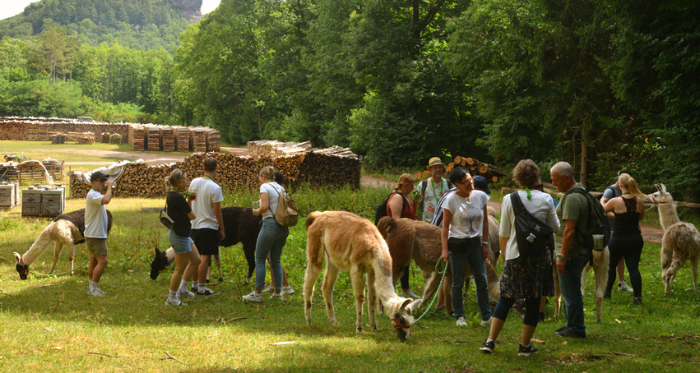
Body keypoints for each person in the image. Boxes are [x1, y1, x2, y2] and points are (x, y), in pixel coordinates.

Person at [480, 160, 559, 356]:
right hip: (539, 257)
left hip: (514, 256)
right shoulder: (547, 199)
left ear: (517, 177)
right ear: (537, 177)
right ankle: (524, 346)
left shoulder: (509, 199)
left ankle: (490, 342)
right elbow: (555, 227)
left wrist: (506, 256)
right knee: (533, 301)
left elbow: (504, 232)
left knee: (506, 298)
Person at [440, 167, 493, 327]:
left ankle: (486, 317)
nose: (470, 183)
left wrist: (485, 243)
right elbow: (445, 226)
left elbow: (484, 221)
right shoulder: (451, 200)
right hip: (458, 244)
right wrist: (444, 249)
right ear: (456, 184)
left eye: (471, 179)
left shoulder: (481, 196)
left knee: (481, 279)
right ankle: (459, 317)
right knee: (457, 281)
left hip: (475, 243)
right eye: (466, 182)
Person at [550, 161, 590, 339]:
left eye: (556, 180)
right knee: (570, 288)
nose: (553, 184)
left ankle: (576, 328)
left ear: (567, 178)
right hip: (577, 250)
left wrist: (562, 256)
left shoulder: (572, 198)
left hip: (571, 252)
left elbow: (570, 230)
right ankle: (571, 324)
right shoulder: (580, 190)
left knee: (570, 290)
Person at [243, 166, 290, 302]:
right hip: (283, 227)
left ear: (263, 177)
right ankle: (278, 293)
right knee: (275, 260)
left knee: (259, 258)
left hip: (269, 224)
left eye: (259, 177)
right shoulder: (280, 188)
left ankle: (257, 294)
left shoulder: (264, 187)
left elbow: (264, 208)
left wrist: (256, 211)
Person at [602, 173, 646, 305]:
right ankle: (637, 298)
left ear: (620, 185)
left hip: (618, 239)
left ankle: (606, 294)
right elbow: (641, 217)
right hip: (635, 238)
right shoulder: (639, 201)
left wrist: (612, 212)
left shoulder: (615, 201)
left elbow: (602, 211)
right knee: (633, 268)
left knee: (611, 267)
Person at [164, 169, 202, 306]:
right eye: (185, 179)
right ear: (180, 182)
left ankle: (182, 289)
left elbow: (184, 212)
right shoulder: (177, 197)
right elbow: (192, 216)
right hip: (179, 235)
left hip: (183, 234)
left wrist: (189, 201)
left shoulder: (173, 195)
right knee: (179, 269)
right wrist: (189, 202)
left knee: (196, 260)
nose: (187, 181)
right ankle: (171, 298)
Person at [189, 158, 225, 296]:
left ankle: (194, 285)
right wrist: (222, 229)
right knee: (205, 257)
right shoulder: (216, 188)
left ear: (203, 168)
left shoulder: (193, 182)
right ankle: (202, 288)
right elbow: (217, 212)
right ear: (216, 169)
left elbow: (190, 202)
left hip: (194, 224)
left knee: (195, 257)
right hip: (208, 226)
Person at [261, 171, 295, 295]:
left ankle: (285, 285)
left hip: (272, 225)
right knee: (271, 257)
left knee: (273, 258)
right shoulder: (281, 191)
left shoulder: (271, 190)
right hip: (281, 226)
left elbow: (265, 207)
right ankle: (275, 284)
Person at [601, 169, 634, 293]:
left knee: (621, 257)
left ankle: (621, 283)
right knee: (611, 257)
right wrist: (618, 216)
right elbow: (602, 206)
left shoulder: (626, 191)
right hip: (611, 228)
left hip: (622, 229)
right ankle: (605, 284)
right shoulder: (611, 191)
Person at [387, 173, 419, 299]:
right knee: (397, 264)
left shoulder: (406, 197)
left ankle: (405, 289)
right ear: (404, 185)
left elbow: (411, 212)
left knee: (405, 263)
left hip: (406, 235)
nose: (413, 188)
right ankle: (390, 290)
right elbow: (397, 221)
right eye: (411, 185)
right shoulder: (397, 198)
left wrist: (415, 201)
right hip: (399, 236)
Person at [85, 171, 114, 297]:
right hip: (95, 235)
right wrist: (109, 187)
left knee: (93, 262)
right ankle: (93, 290)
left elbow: (105, 198)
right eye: (101, 181)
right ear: (94, 182)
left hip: (94, 234)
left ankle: (91, 288)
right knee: (103, 261)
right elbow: (106, 200)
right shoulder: (93, 195)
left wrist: (108, 188)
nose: (103, 183)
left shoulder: (95, 194)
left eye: (104, 181)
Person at [416, 157, 453, 223]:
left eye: (440, 167)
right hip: (427, 224)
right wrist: (418, 221)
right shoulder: (423, 185)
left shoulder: (449, 184)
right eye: (435, 168)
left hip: (444, 223)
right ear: (430, 170)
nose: (438, 170)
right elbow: (418, 205)